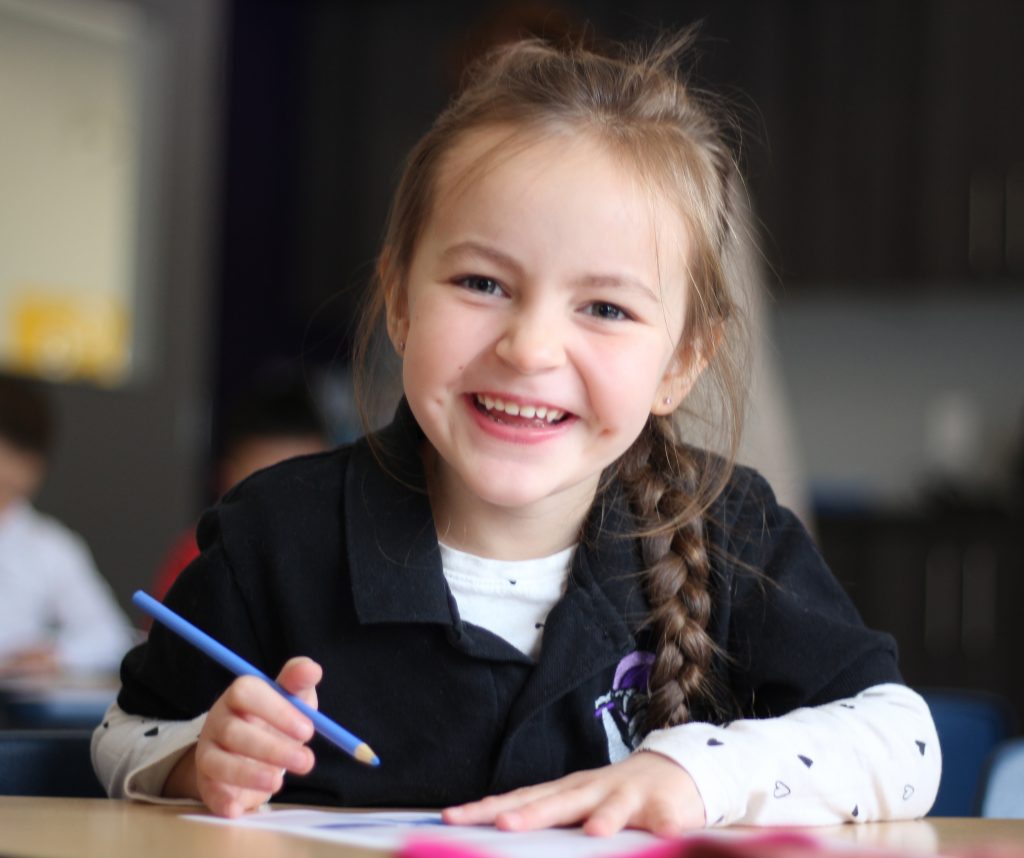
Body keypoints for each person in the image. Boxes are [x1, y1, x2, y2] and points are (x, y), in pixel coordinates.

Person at [92, 35, 939, 833]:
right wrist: (198, 757)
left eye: (605, 308)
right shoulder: (275, 533)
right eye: (481, 282)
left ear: (682, 359)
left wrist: (697, 775)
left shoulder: (731, 531)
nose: (529, 348)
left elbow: (908, 746)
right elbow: (122, 735)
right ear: (398, 299)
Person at [150, 370, 330, 601]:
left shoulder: (339, 561)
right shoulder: (197, 560)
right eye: (263, 491)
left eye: (305, 489)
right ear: (225, 481)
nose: (285, 509)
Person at [0, 373, 134, 676]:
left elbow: (110, 637)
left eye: (14, 458)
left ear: (32, 467)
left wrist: (54, 655)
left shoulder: (49, 546)